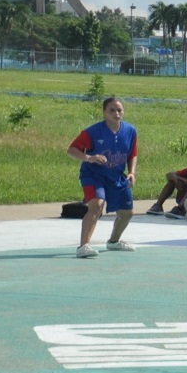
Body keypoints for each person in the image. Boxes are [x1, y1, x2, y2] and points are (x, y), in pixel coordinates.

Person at [68, 96, 139, 257]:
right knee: (97, 205)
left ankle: (113, 242)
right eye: (112, 110)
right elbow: (72, 150)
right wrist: (89, 158)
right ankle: (83, 246)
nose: (116, 113)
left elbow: (133, 154)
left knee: (127, 213)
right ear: (104, 112)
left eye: (119, 110)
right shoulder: (92, 132)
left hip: (116, 177)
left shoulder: (130, 131)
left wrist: (132, 172)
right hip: (93, 175)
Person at [147, 146, 187, 215]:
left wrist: (181, 179)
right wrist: (177, 180)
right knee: (172, 181)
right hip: (186, 196)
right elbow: (170, 174)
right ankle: (158, 205)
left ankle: (180, 209)